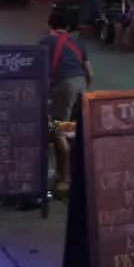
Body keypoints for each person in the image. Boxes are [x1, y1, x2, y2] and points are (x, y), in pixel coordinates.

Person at [39, 11, 93, 194]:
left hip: (64, 86)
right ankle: (73, 174)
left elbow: (40, 70)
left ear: (50, 25)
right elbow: (90, 73)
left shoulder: (46, 41)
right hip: (80, 86)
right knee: (71, 130)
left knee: (58, 130)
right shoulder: (78, 43)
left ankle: (65, 179)